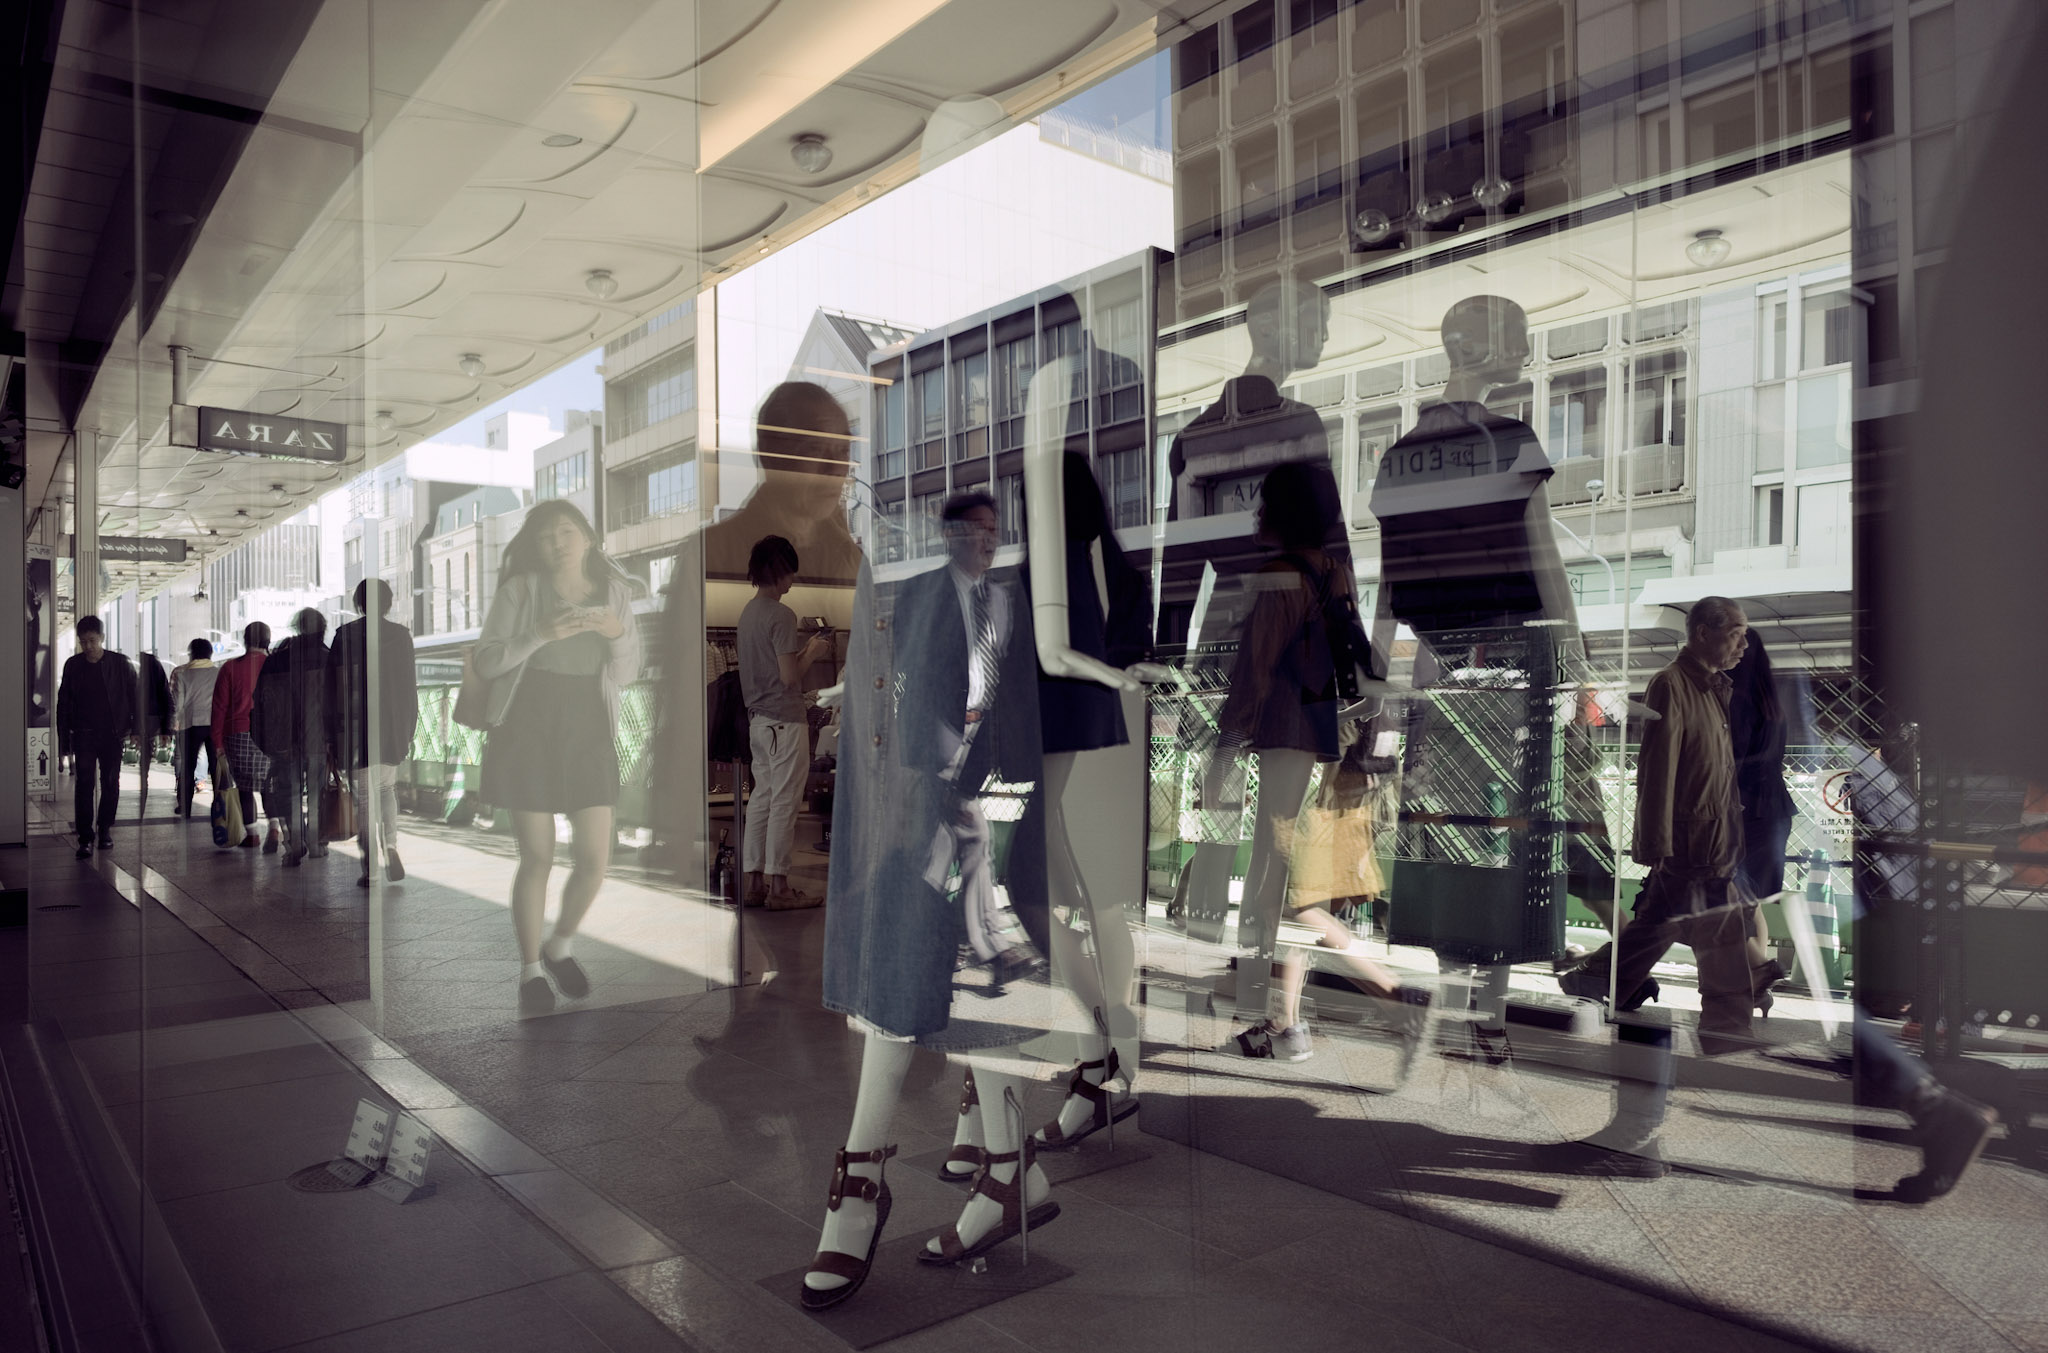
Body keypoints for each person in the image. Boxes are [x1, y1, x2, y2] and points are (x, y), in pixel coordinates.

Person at [1213, 460, 1431, 1065]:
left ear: (1284, 514)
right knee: (1287, 889)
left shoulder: (1281, 575)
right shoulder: (1333, 572)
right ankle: (1282, 1027)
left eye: (1265, 505)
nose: (1256, 515)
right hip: (1325, 747)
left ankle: (1388, 998)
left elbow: (1254, 676)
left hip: (1285, 745)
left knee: (1283, 894)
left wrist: (1222, 750)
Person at [1542, 597, 1767, 1176]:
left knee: (1655, 934)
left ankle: (1610, 984)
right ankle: (1726, 1015)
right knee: (1677, 934)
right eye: (1736, 633)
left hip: (1710, 840)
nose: (1743, 644)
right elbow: (1659, 768)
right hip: (1691, 844)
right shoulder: (1672, 683)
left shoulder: (1715, 687)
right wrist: (1655, 843)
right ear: (1701, 633)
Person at [472, 499, 641, 1017]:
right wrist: (540, 633)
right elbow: (486, 659)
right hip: (529, 725)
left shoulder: (614, 592)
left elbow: (629, 672)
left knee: (595, 859)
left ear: (588, 538)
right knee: (538, 856)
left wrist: (615, 633)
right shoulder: (521, 589)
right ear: (535, 545)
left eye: (567, 531)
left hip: (587, 725)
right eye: (547, 535)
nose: (558, 541)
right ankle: (530, 970)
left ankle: (560, 943)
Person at [738, 534, 831, 908]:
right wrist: (815, 652)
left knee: (761, 800)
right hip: (785, 720)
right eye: (791, 572)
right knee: (785, 803)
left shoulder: (747, 613)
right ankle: (780, 887)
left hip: (758, 722)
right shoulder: (780, 615)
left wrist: (803, 651)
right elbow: (791, 678)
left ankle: (754, 883)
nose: (793, 580)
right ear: (779, 569)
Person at [330, 579, 419, 887]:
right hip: (392, 727)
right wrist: (408, 728)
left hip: (355, 728)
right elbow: (410, 687)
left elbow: (332, 691)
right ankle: (391, 845)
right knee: (386, 790)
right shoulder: (401, 636)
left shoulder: (344, 636)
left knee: (365, 800)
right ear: (388, 602)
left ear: (359, 603)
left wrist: (333, 734)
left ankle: (370, 869)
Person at [255, 608, 334, 867]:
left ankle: (294, 842)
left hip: (282, 739)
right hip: (318, 739)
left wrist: (264, 739)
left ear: (297, 627)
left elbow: (259, 703)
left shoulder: (277, 659)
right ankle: (315, 842)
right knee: (315, 791)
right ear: (322, 629)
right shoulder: (328, 658)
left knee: (288, 793)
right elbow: (336, 704)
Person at [57, 616, 135, 859]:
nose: (88, 646)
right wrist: (63, 742)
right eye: (83, 642)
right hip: (84, 735)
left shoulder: (120, 664)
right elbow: (63, 704)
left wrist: (137, 730)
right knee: (84, 785)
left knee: (111, 783)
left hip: (113, 734)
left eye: (92, 640)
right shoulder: (73, 665)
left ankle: (104, 829)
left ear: (102, 638)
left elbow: (135, 696)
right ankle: (85, 838)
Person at [212, 622, 279, 851]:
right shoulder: (275, 665)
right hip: (271, 734)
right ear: (268, 641)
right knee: (269, 783)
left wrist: (217, 741)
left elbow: (219, 707)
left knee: (244, 785)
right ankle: (274, 827)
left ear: (245, 640)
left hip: (238, 733)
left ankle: (252, 835)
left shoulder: (230, 667)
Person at [169, 638, 219, 818]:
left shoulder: (181, 673)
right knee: (216, 767)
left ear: (191, 654)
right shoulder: (218, 672)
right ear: (210, 653)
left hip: (189, 725)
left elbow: (177, 704)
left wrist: (173, 725)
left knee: (188, 767)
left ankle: (185, 807)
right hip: (214, 724)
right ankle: (219, 806)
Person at [135, 648, 173, 814]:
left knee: (144, 748)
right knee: (147, 748)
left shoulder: (140, 678)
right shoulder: (158, 674)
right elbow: (168, 701)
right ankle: (144, 775)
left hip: (142, 718)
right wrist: (166, 730)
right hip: (154, 719)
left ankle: (143, 776)